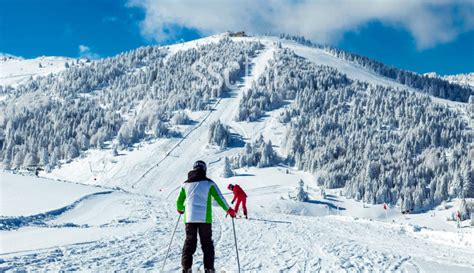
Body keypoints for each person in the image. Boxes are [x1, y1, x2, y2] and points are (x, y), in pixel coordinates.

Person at [177, 160, 236, 273]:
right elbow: (220, 198)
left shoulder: (185, 184)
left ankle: (186, 268)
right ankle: (209, 269)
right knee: (207, 243)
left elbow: (179, 201)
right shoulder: (209, 183)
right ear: (204, 170)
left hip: (189, 218)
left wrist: (180, 209)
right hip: (205, 218)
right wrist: (229, 210)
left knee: (189, 242)